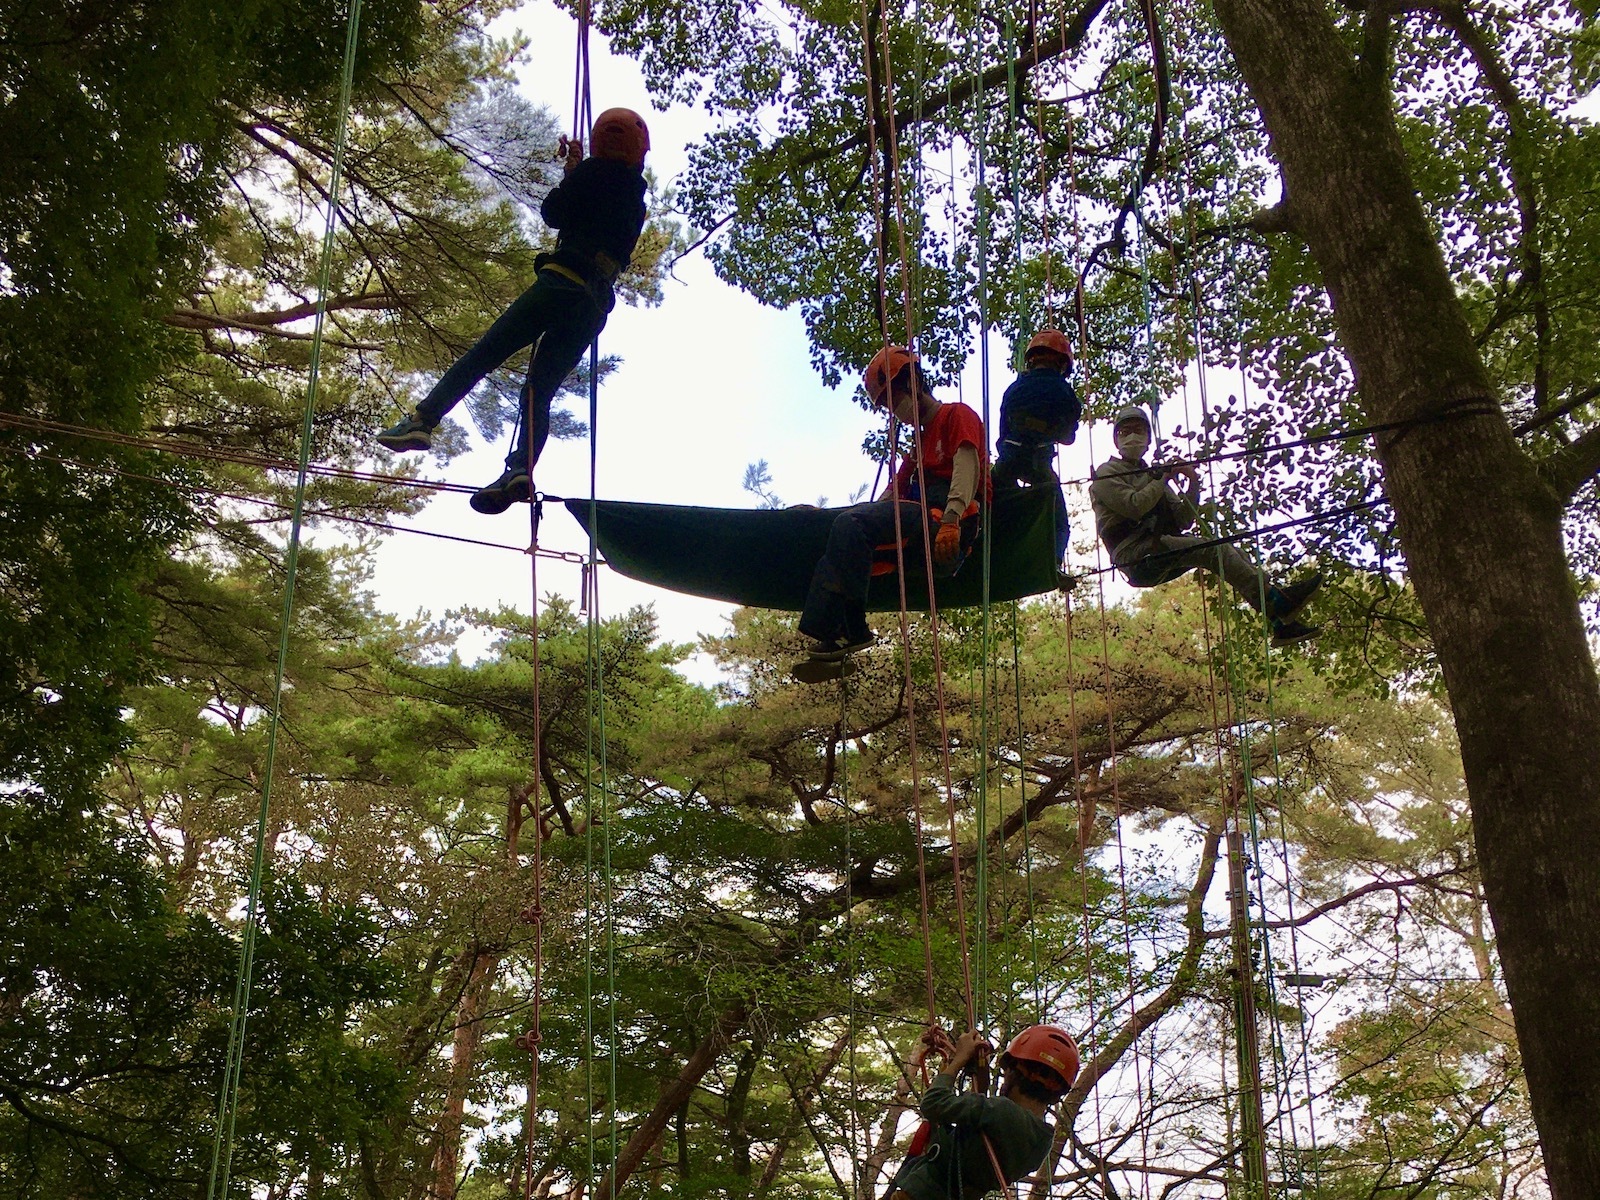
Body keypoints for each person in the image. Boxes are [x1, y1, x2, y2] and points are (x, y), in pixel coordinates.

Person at [374, 107, 651, 514]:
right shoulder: (635, 201)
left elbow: (556, 212)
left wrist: (574, 171)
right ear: (640, 150)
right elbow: (592, 215)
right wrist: (575, 170)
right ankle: (520, 468)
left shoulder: (594, 172)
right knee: (538, 392)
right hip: (591, 307)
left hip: (560, 283)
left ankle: (423, 419)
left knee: (485, 353)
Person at [795, 346, 990, 676]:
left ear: (912, 382)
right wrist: (823, 517)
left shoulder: (956, 415)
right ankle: (840, 638)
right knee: (842, 541)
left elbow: (966, 464)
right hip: (920, 532)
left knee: (852, 526)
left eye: (891, 399)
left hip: (947, 524)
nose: (892, 410)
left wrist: (952, 519)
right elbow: (886, 502)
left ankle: (845, 631)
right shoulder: (917, 450)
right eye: (885, 405)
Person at [1088, 405, 1321, 645]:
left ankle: (1280, 623)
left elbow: (1183, 519)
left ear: (1148, 438)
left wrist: (1193, 482)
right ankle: (1278, 601)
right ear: (1116, 439)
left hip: (1156, 550)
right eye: (1125, 431)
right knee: (1212, 549)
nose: (1131, 436)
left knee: (1230, 553)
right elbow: (1134, 505)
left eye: (1137, 430)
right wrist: (1163, 477)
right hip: (1134, 554)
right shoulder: (1106, 474)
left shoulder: (1152, 476)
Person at [889, 1025, 1080, 1200]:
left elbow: (933, 1103)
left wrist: (959, 1059)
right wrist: (979, 1076)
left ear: (1019, 1071)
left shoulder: (1001, 1111)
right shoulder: (1042, 1141)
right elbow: (982, 1135)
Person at [992, 329, 1081, 566]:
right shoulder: (1064, 391)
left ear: (1031, 359)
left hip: (1009, 456)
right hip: (1039, 461)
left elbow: (1002, 433)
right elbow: (1068, 436)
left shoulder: (1013, 389)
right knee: (1058, 520)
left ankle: (989, 551)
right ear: (1062, 363)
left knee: (991, 504)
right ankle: (1054, 561)